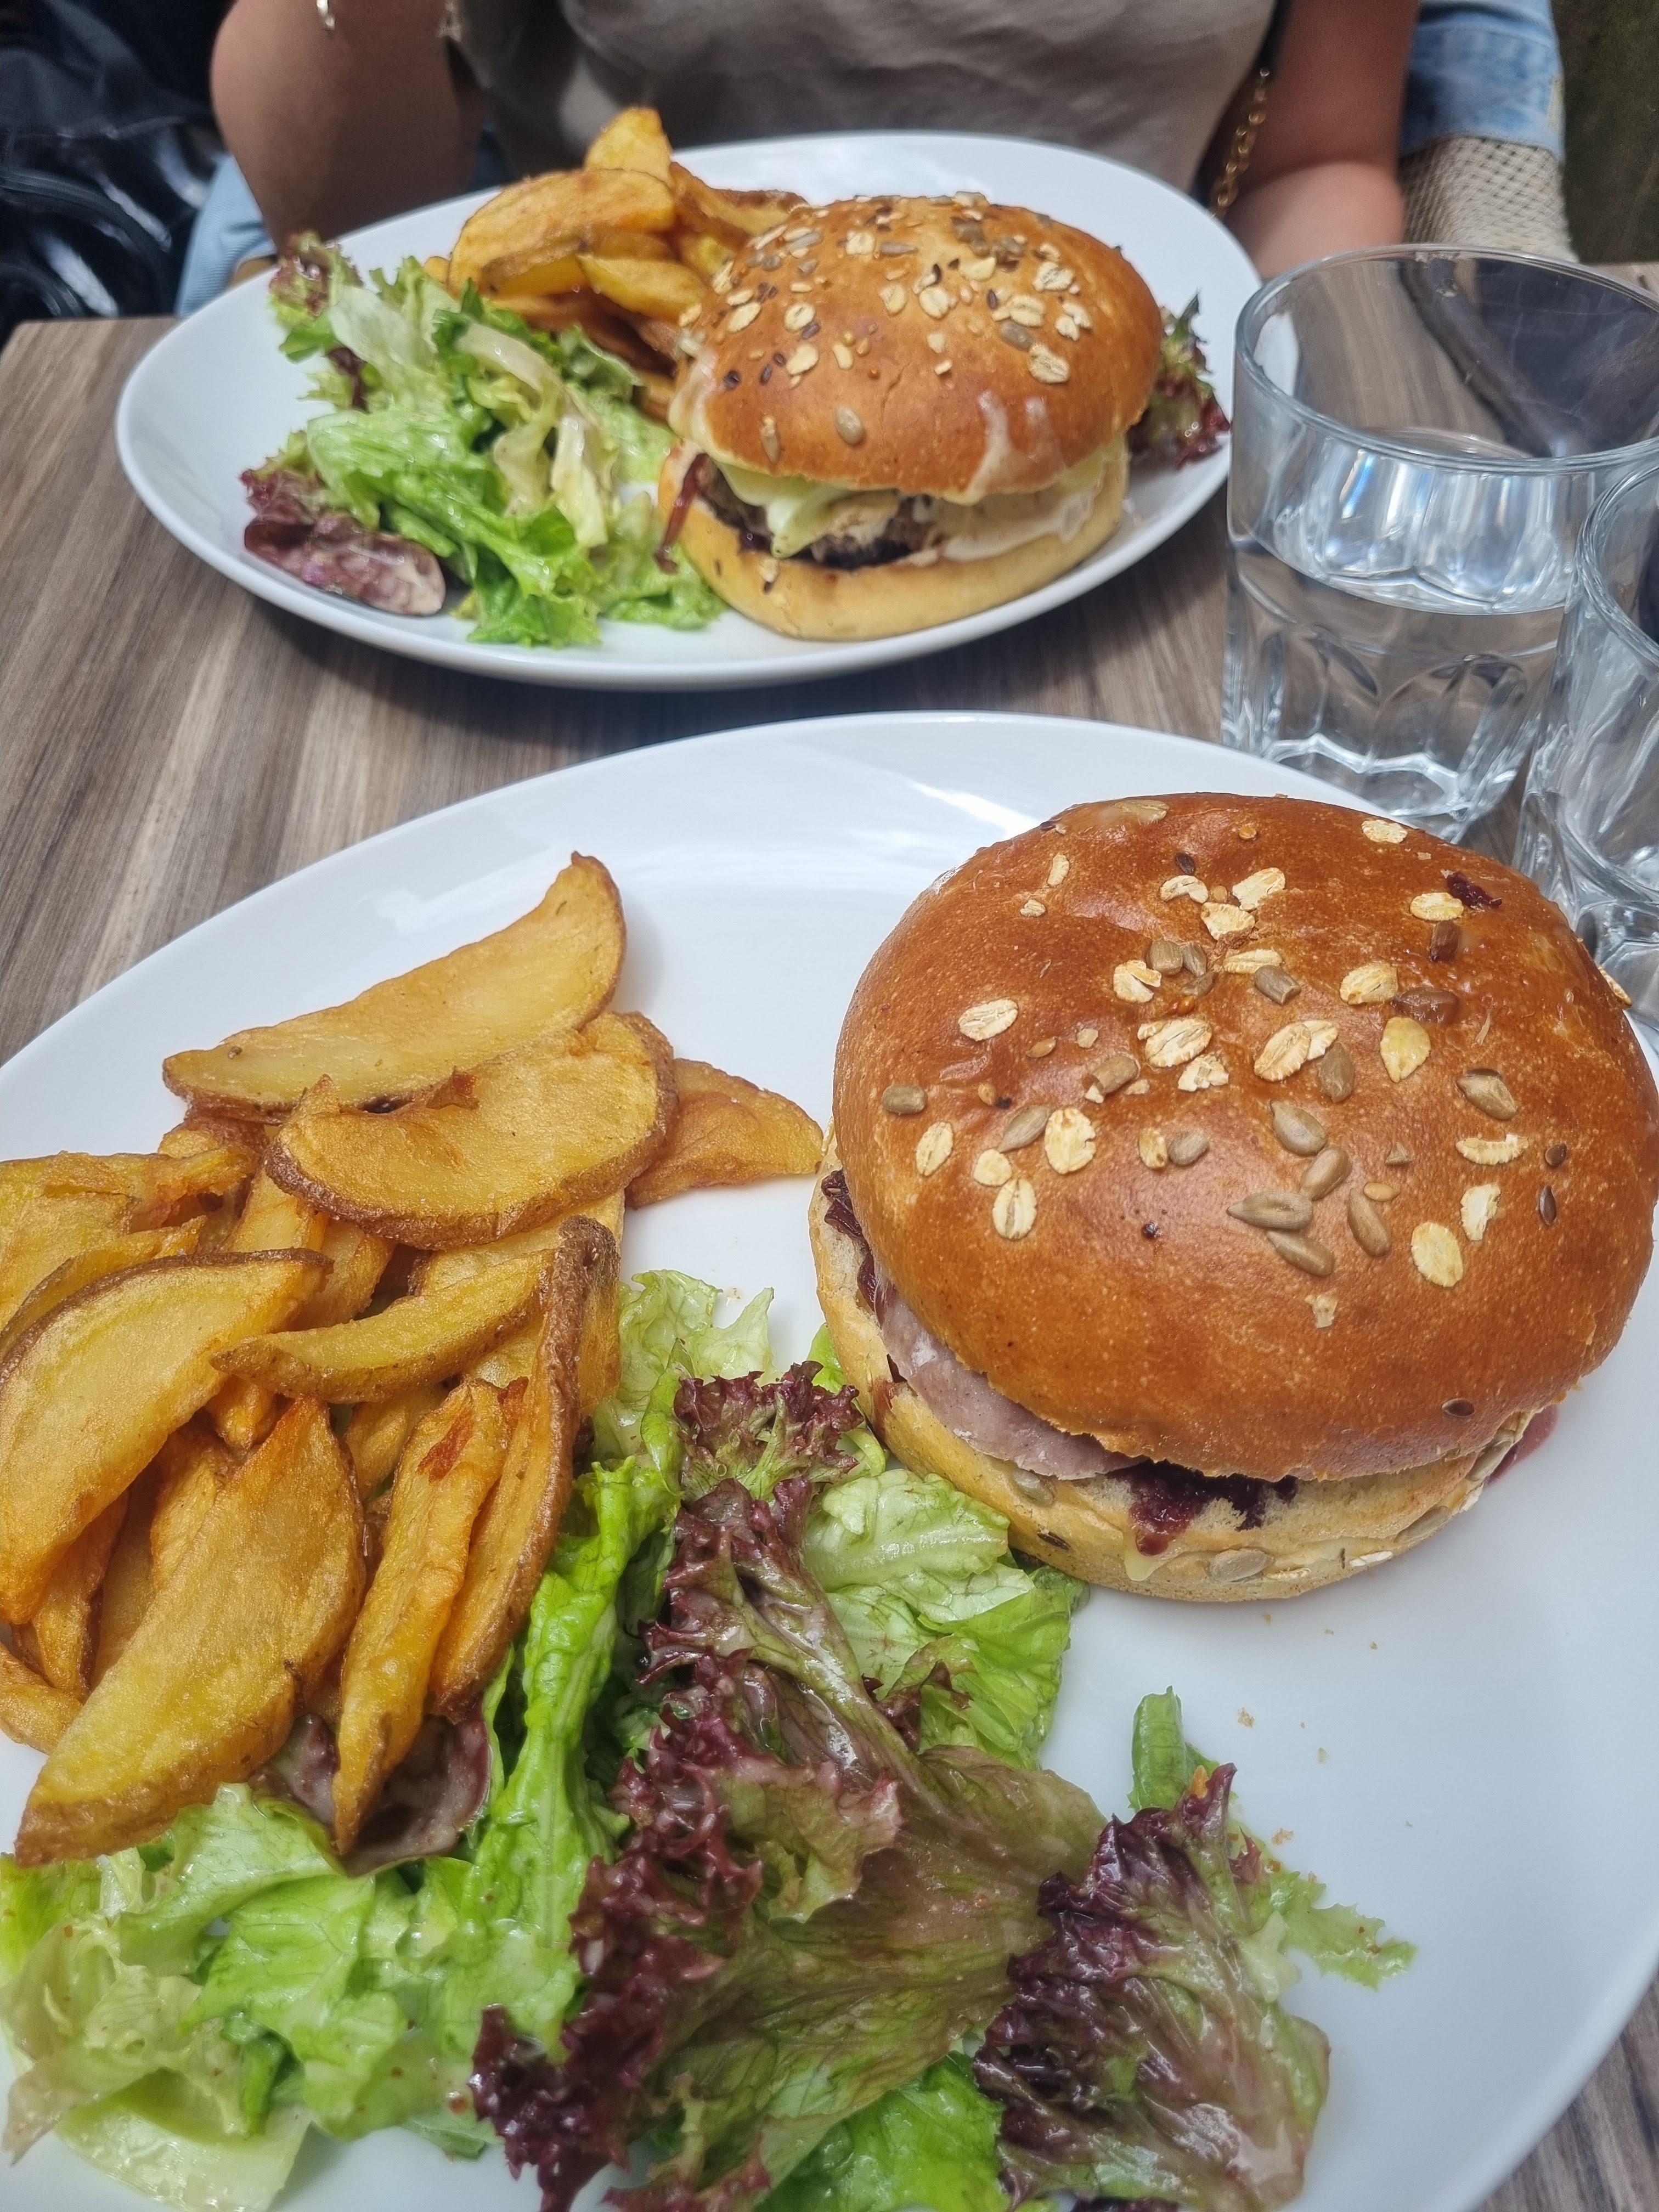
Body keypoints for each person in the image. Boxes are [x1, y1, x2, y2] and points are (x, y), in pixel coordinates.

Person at [198, 0, 1417, 299]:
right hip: (613, 423)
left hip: (1137, 478)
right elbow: (344, 224)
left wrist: (1295, 448)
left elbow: (1323, 162)